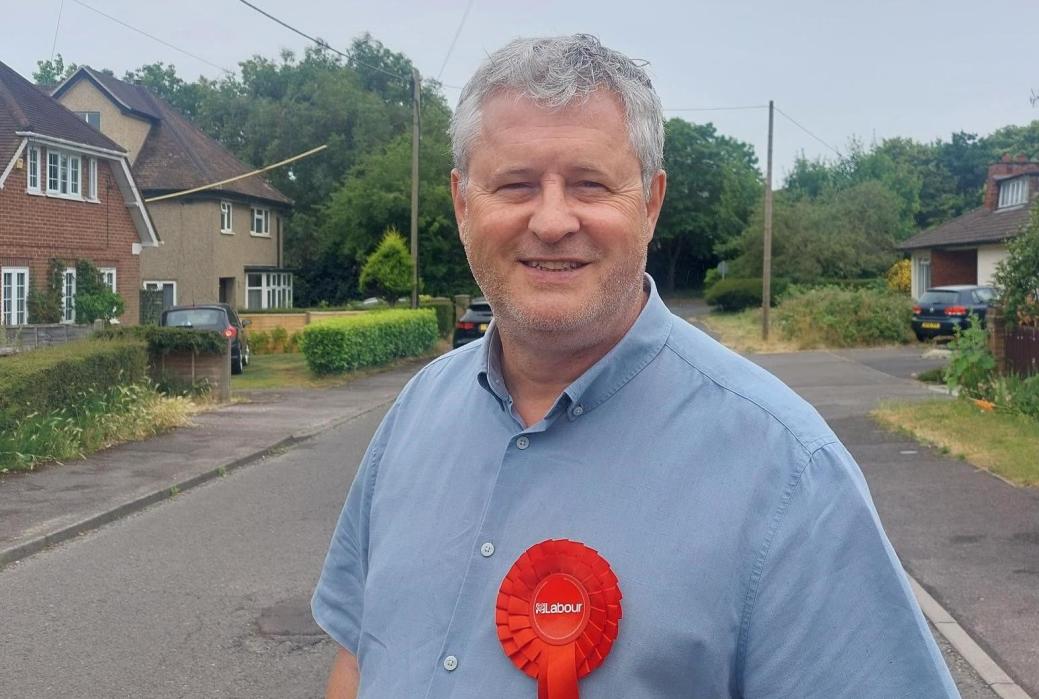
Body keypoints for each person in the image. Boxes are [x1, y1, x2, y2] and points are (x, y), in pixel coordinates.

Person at [313, 34, 960, 698]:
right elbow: (359, 660)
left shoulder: (790, 475)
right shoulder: (415, 414)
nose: (554, 219)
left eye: (589, 184)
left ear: (650, 202)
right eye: (516, 184)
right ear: (461, 204)